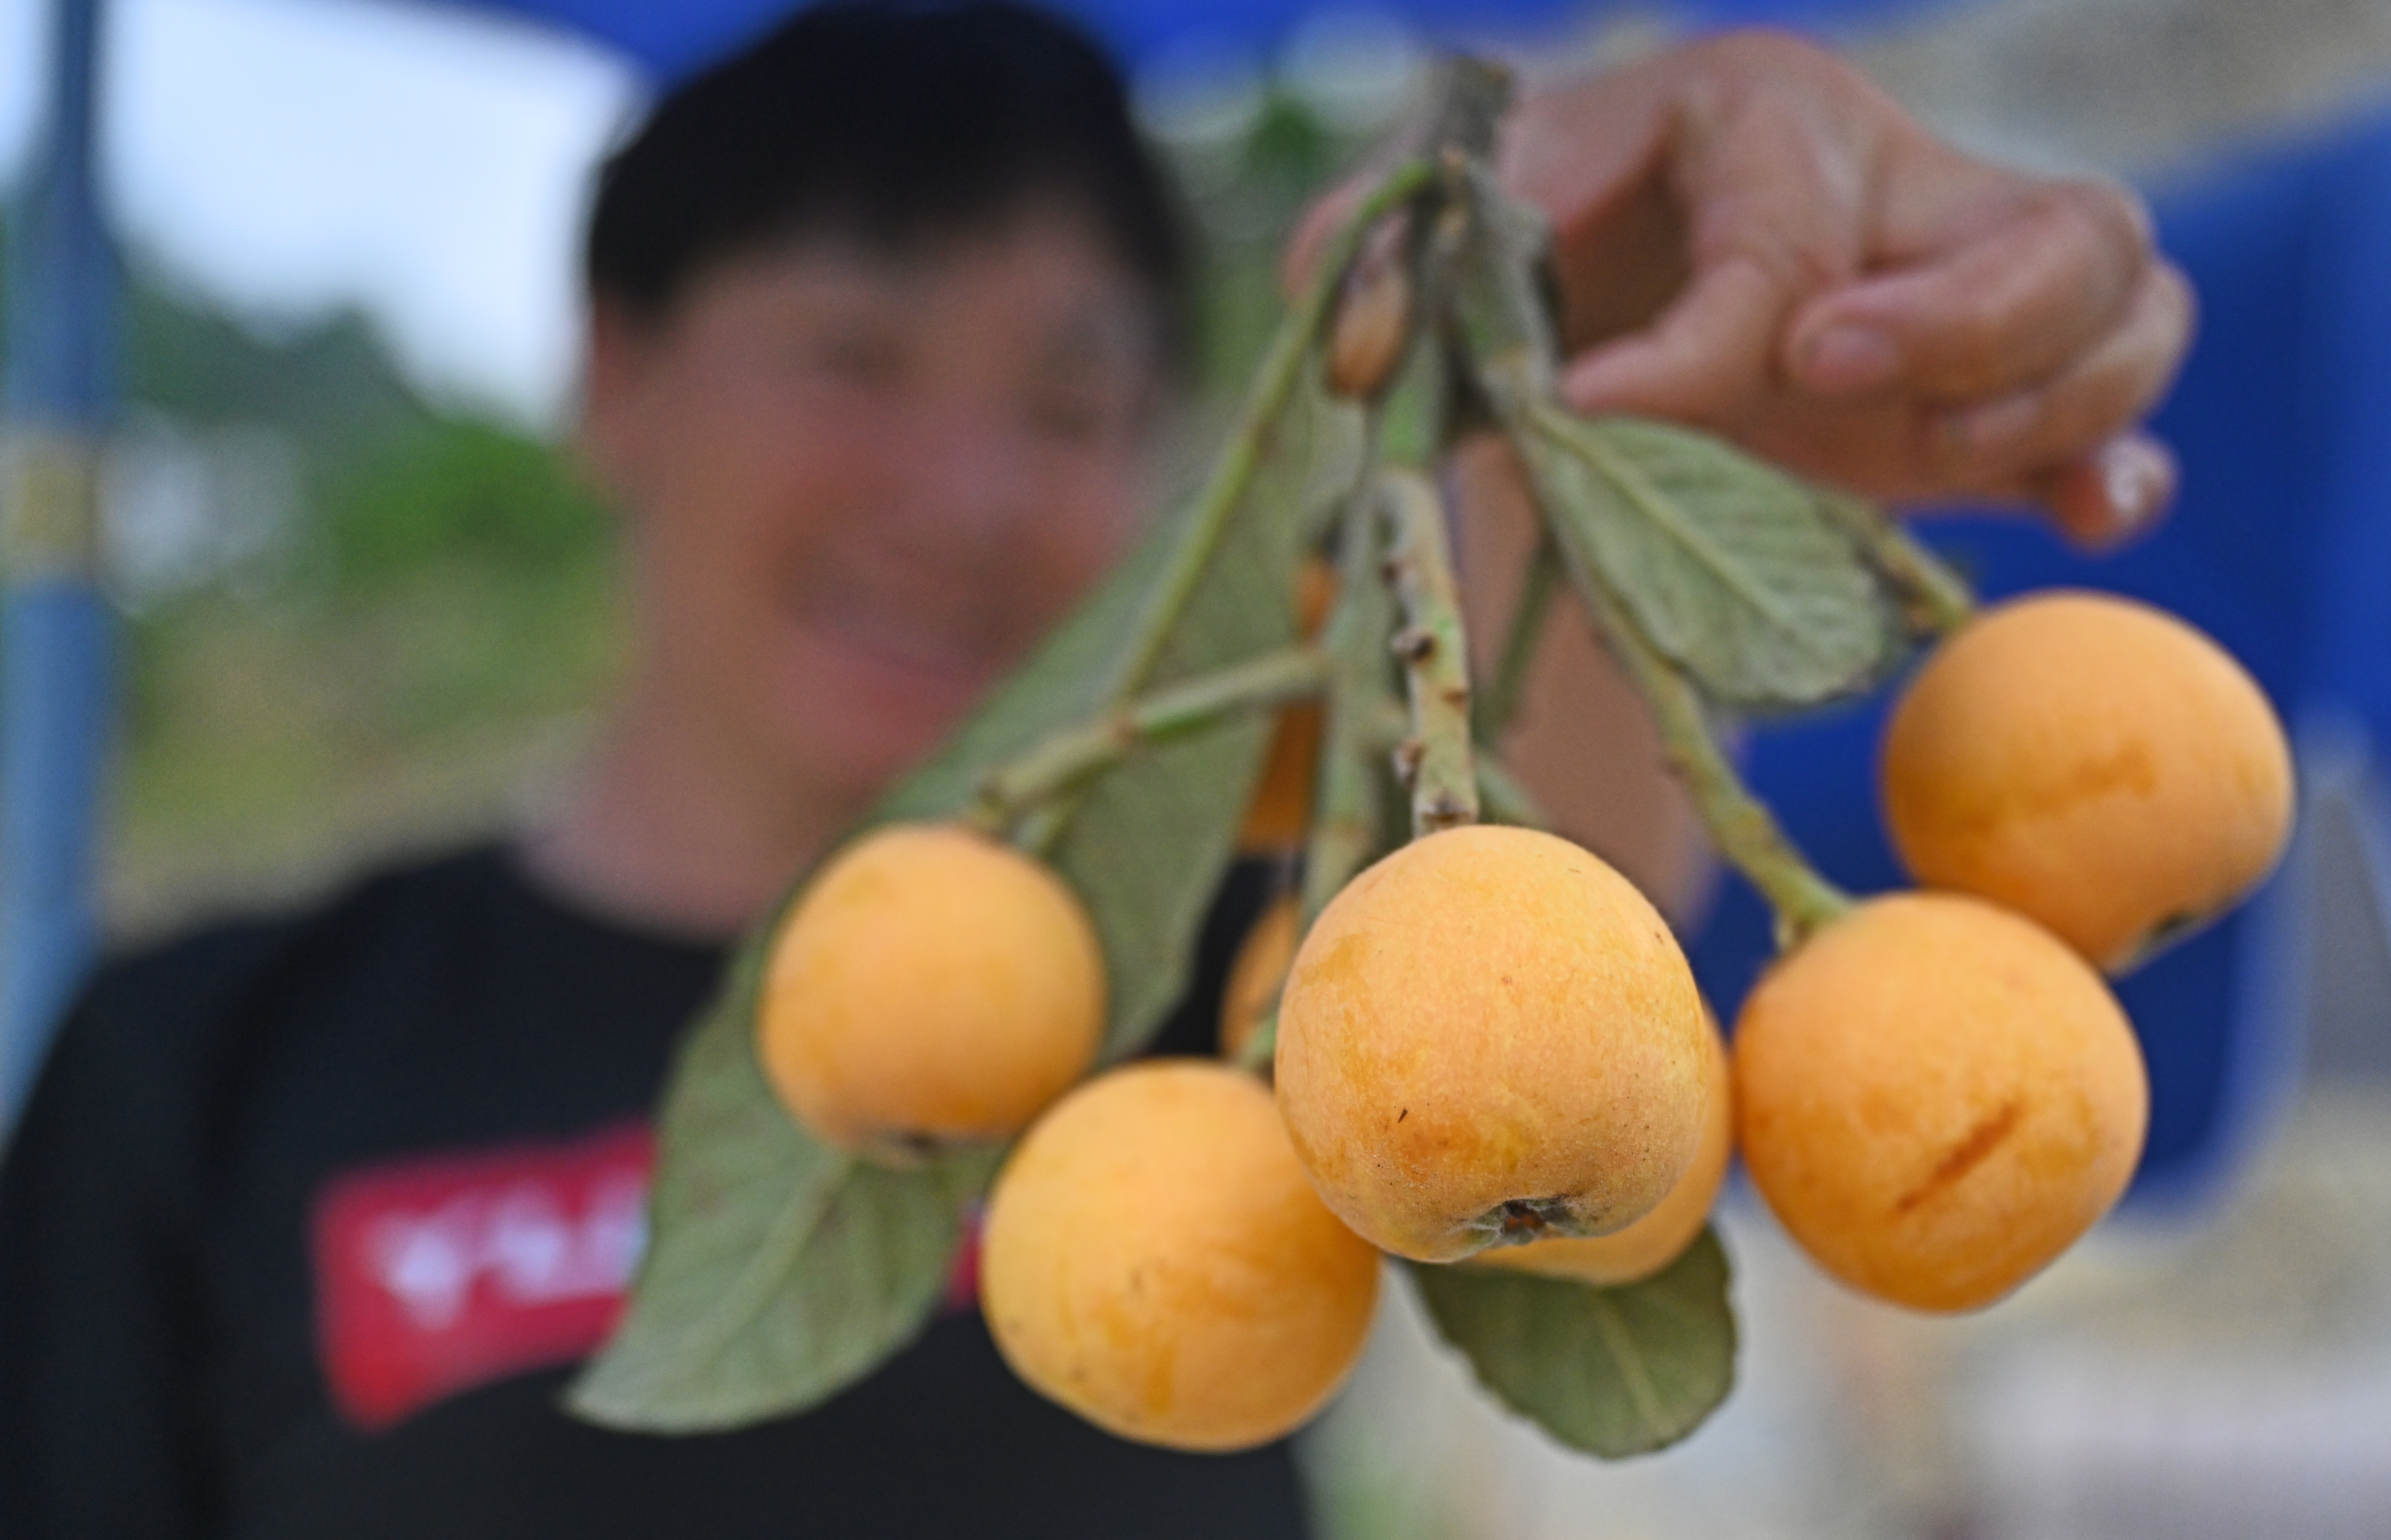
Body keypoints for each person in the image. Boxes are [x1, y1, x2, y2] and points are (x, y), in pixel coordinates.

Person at [0, 4, 2191, 1537]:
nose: (962, 492)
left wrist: (1624, 345)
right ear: (614, 379)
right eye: (856, 356)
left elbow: (1558, 899)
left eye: (1067, 404)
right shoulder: (203, 1058)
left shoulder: (1275, 989)